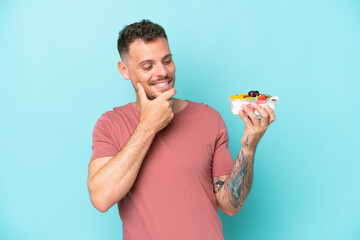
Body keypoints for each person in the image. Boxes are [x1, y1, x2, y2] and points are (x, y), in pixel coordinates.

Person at [87, 19, 276, 240]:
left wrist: (249, 147)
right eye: (148, 66)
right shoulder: (111, 124)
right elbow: (101, 198)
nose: (162, 72)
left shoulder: (208, 118)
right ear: (125, 70)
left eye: (167, 61)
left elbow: (230, 205)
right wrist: (148, 126)